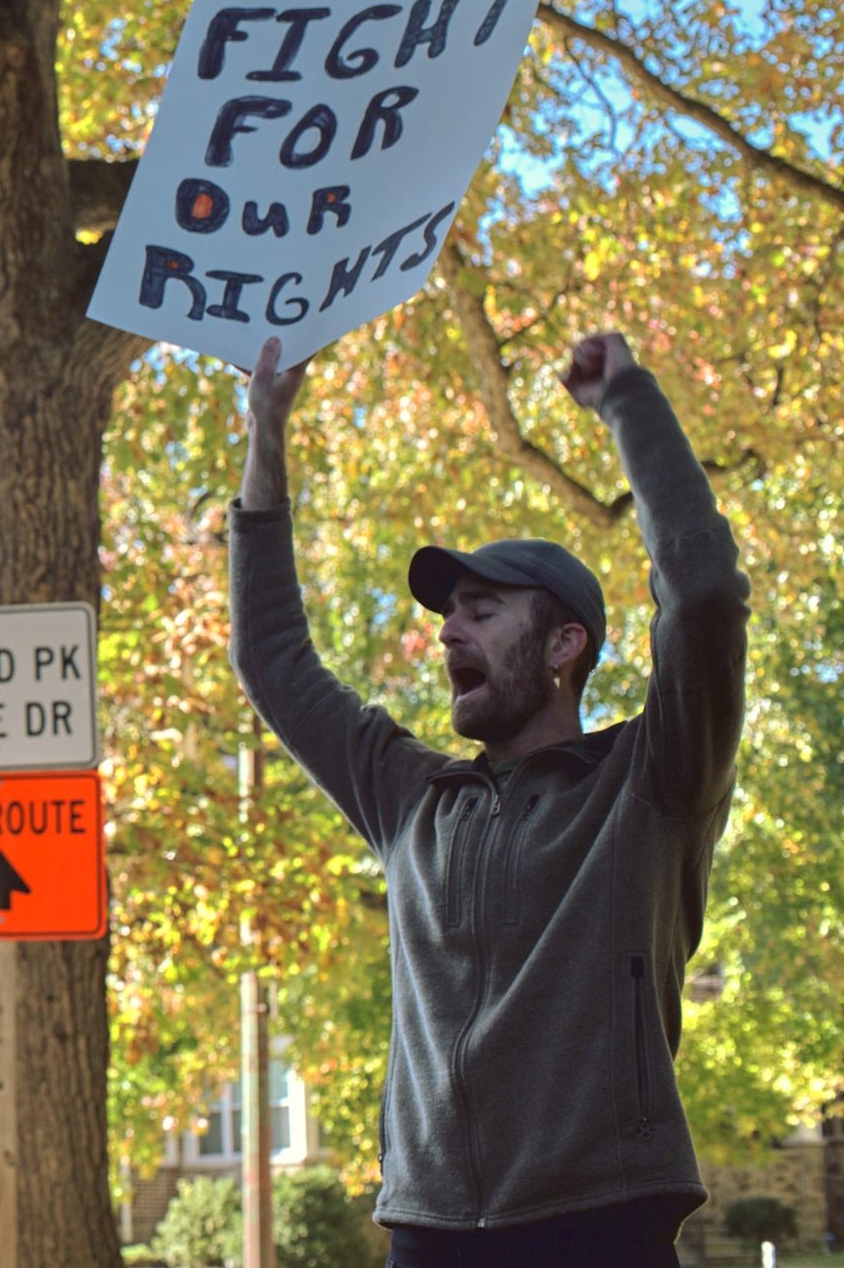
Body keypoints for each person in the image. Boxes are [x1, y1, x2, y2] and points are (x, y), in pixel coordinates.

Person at [231, 330, 749, 1267]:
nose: (448, 632)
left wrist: (628, 402)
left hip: (604, 1223)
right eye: (446, 614)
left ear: (564, 646)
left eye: (481, 609)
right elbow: (272, 656)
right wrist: (266, 428)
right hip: (428, 1233)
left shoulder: (653, 780)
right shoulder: (410, 797)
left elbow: (704, 594)